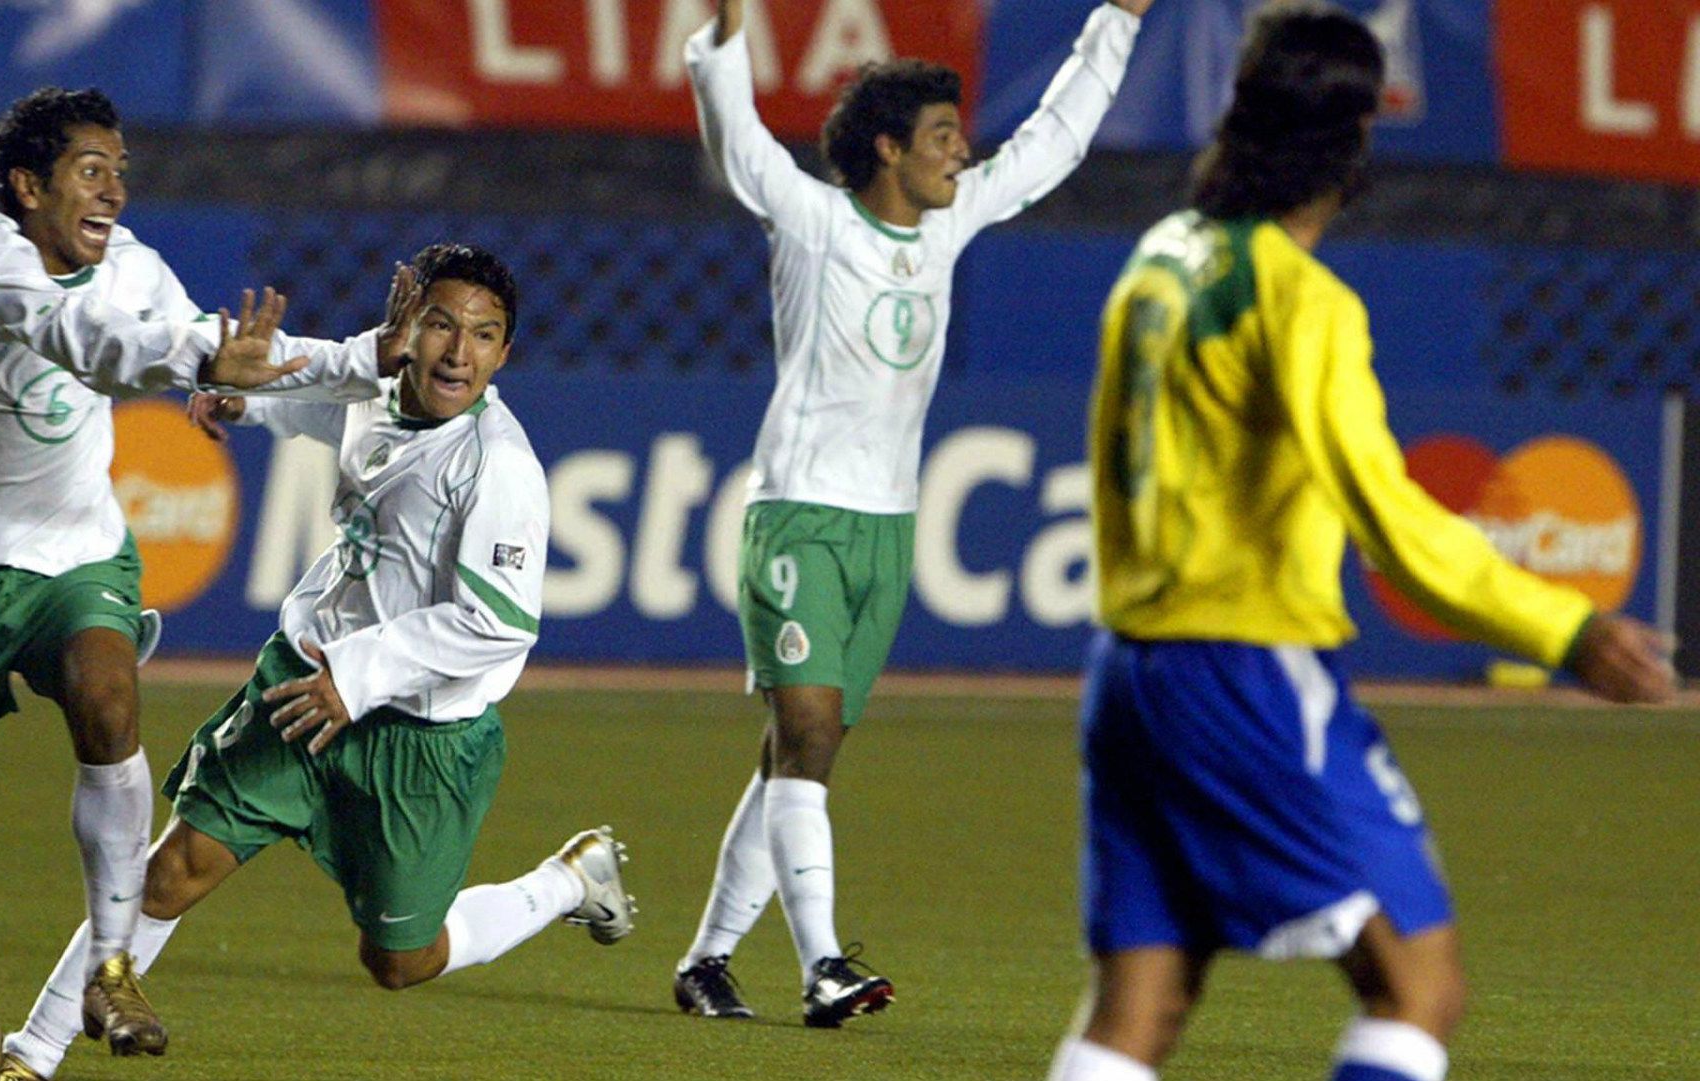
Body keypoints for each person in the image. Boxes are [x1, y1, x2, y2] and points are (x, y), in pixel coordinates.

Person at [1050, 6, 1675, 1080]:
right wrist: (1565, 628)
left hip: (1129, 678)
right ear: (1354, 146)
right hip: (1244, 673)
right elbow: (1390, 520)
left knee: (1139, 1007)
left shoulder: (1162, 255)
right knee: (1418, 986)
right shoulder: (1302, 302)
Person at [0, 244, 635, 1081]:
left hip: (418, 743)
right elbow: (330, 410)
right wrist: (244, 404)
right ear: (408, 328)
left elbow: (497, 621)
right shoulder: (380, 390)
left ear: (505, 354)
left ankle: (567, 882)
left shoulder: (500, 467)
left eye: (483, 334)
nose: (457, 351)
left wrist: (357, 679)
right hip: (301, 688)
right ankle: (31, 1057)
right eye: (439, 324)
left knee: (400, 958)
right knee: (171, 870)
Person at [0, 85, 417, 1081]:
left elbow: (220, 347)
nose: (115, 190)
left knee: (109, 697)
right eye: (93, 169)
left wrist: (358, 358)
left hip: (78, 557)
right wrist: (200, 355)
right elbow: (102, 347)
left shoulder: (131, 265)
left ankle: (113, 963)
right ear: (26, 184)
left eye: (121, 170)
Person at [673, 0, 1157, 1028]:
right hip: (800, 515)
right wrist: (718, 38)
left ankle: (708, 959)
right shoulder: (812, 222)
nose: (961, 151)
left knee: (798, 757)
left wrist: (1116, 17)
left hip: (886, 531)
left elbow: (1055, 142)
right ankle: (822, 968)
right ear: (888, 148)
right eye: (942, 136)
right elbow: (740, 141)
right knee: (803, 736)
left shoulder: (951, 225)